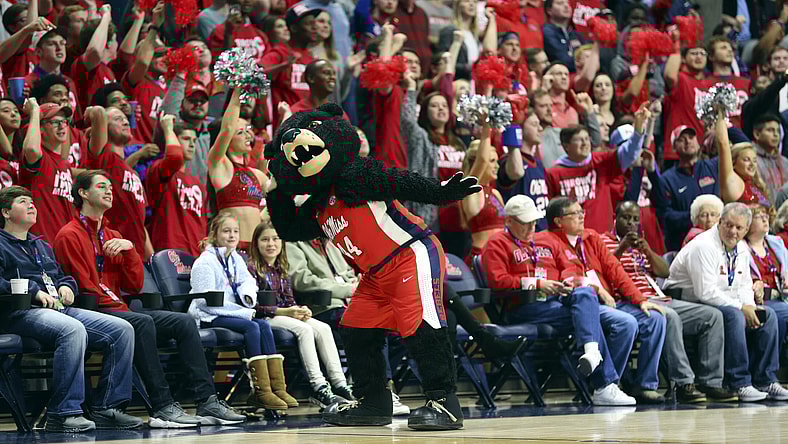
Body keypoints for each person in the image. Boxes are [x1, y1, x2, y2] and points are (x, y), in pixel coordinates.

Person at [54, 170, 247, 427]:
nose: (110, 190)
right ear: (83, 193)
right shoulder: (70, 234)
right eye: (102, 186)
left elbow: (134, 285)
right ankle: (163, 405)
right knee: (141, 322)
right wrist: (117, 305)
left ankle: (207, 400)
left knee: (182, 322)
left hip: (119, 308)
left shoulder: (111, 235)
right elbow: (86, 288)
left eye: (111, 186)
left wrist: (131, 250)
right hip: (94, 311)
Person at [0, 186, 140, 432]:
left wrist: (67, 288)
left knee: (122, 329)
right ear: (5, 212)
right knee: (73, 330)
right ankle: (63, 413)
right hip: (20, 312)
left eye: (33, 201)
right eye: (24, 202)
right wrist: (33, 291)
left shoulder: (40, 245)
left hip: (58, 308)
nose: (32, 205)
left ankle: (107, 408)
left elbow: (63, 276)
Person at [482, 195, 636, 405]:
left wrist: (569, 282)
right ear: (508, 221)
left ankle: (591, 353)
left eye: (534, 222)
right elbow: (498, 282)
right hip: (524, 306)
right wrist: (537, 284)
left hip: (556, 300)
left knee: (584, 294)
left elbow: (569, 266)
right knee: (588, 317)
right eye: (525, 223)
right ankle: (604, 384)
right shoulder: (497, 244)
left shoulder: (543, 241)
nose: (531, 227)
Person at [601, 201, 735, 403]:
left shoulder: (641, 243)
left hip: (659, 298)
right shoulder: (604, 241)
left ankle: (711, 381)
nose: (631, 223)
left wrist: (647, 251)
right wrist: (621, 248)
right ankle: (683, 384)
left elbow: (665, 272)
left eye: (635, 219)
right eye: (626, 218)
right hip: (630, 302)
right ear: (615, 217)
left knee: (712, 316)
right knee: (669, 317)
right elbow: (603, 273)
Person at [664, 202, 788, 402]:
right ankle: (739, 382)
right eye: (728, 225)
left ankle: (766, 380)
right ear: (720, 222)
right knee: (734, 315)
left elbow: (744, 284)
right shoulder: (703, 245)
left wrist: (750, 306)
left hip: (721, 300)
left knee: (768, 315)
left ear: (746, 229)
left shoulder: (741, 248)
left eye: (739, 228)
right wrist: (741, 308)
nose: (733, 231)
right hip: (689, 301)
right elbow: (705, 292)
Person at [543, 197, 663, 403]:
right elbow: (566, 278)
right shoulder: (548, 241)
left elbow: (614, 269)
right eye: (575, 214)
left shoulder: (591, 237)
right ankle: (605, 384)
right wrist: (597, 288)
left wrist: (639, 299)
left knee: (654, 318)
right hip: (579, 303)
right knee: (625, 323)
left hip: (607, 302)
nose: (582, 217)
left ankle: (644, 385)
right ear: (558, 221)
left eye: (582, 212)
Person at [189, 214, 295, 411]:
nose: (232, 236)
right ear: (215, 234)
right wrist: (242, 312)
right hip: (208, 315)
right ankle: (260, 391)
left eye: (235, 231)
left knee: (263, 325)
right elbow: (206, 302)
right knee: (252, 327)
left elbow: (248, 283)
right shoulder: (205, 262)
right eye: (226, 231)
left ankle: (276, 388)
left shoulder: (236, 258)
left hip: (232, 312)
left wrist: (246, 297)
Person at [248, 221, 353, 408]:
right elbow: (252, 307)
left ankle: (340, 384)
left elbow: (289, 301)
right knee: (304, 330)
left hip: (285, 315)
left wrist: (300, 309)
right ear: (256, 244)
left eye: (275, 239)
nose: (271, 244)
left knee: (323, 328)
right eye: (265, 240)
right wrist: (287, 312)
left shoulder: (282, 268)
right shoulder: (251, 269)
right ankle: (319, 386)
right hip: (263, 318)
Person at [545, 102, 648, 234]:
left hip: (604, 238)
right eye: (579, 140)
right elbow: (551, 213)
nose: (585, 144)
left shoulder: (601, 161)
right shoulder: (553, 173)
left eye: (587, 139)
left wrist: (638, 129)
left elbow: (629, 152)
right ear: (566, 146)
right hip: (571, 241)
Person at [85, 106, 153, 260]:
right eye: (117, 118)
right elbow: (99, 112)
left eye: (125, 118)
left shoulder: (133, 172)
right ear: (105, 127)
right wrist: (94, 114)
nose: (125, 121)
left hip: (137, 256)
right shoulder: (104, 158)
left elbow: (140, 223)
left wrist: (152, 259)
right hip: (111, 252)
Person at [207, 88, 268, 250]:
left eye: (249, 131)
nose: (248, 136)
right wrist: (237, 91)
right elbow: (227, 129)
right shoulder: (219, 165)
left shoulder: (256, 175)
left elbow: (280, 195)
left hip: (258, 251)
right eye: (241, 132)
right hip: (232, 249)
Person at [653, 125, 720, 252]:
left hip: (718, 242)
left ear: (698, 142)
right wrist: (696, 217)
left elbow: (742, 147)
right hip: (685, 248)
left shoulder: (713, 166)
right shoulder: (667, 179)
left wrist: (725, 127)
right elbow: (665, 216)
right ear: (673, 147)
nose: (688, 141)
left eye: (691, 137)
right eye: (681, 139)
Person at [147, 115, 207, 257]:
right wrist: (168, 129)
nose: (192, 145)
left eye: (194, 140)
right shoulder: (159, 170)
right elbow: (174, 157)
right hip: (169, 254)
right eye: (186, 139)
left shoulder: (198, 184)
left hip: (196, 255)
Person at [19, 99, 76, 244]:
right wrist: (35, 111)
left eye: (64, 122)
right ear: (40, 128)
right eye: (55, 122)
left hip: (66, 246)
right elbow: (31, 148)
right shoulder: (40, 158)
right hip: (44, 247)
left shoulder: (64, 164)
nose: (61, 126)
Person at [745, 204, 788, 361]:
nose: (765, 218)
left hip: (782, 296)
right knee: (781, 316)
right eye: (758, 216)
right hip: (760, 299)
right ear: (748, 223)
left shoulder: (776, 242)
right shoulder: (742, 247)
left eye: (765, 215)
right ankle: (766, 371)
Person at [497, 110, 548, 231]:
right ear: (520, 129)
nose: (540, 128)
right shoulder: (508, 162)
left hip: (542, 232)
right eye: (535, 124)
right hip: (520, 235)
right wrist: (513, 127)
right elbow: (517, 172)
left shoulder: (539, 163)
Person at [461, 117, 502, 264]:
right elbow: (482, 159)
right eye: (492, 161)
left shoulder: (495, 193)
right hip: (481, 261)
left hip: (501, 258)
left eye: (497, 161)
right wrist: (487, 126)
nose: (497, 166)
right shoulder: (470, 190)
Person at [716, 110, 771, 208]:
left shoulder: (756, 185)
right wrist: (721, 110)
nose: (752, 164)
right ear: (733, 162)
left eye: (754, 160)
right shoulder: (733, 182)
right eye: (746, 160)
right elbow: (722, 143)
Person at [751, 114, 788, 204]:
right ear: (757, 134)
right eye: (770, 130)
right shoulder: (752, 161)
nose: (775, 134)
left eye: (778, 131)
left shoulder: (785, 161)